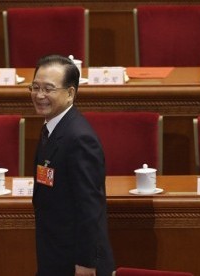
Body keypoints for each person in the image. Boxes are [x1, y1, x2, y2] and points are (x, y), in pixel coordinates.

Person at [30, 54, 115, 276]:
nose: (39, 95)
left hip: (77, 263)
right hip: (55, 252)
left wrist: (87, 263)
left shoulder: (79, 139)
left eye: (48, 89)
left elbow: (90, 207)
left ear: (70, 93)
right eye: (35, 87)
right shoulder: (52, 127)